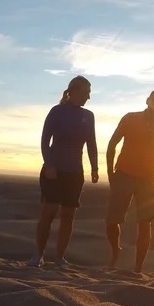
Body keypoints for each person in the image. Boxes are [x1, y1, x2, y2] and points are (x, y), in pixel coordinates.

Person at [105, 89, 154, 272]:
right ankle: (116, 253)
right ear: (148, 100)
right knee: (112, 221)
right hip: (123, 174)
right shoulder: (130, 118)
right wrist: (110, 174)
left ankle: (138, 268)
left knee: (145, 223)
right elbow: (112, 144)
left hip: (148, 180)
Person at [31, 75, 98, 267]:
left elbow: (91, 143)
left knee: (68, 216)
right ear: (73, 91)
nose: (88, 97)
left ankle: (60, 258)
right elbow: (45, 140)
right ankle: (38, 255)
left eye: (89, 93)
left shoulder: (88, 116)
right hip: (54, 170)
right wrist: (49, 165)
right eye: (86, 92)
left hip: (75, 172)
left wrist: (95, 167)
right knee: (48, 212)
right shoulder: (57, 111)